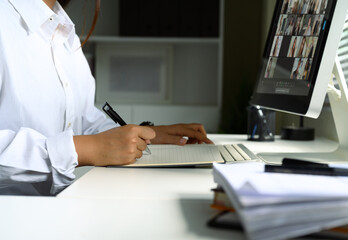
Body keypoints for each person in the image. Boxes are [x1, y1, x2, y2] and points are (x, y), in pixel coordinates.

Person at [0, 0, 213, 196]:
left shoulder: (63, 33)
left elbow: (83, 121)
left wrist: (145, 136)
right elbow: (87, 143)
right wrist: (88, 148)